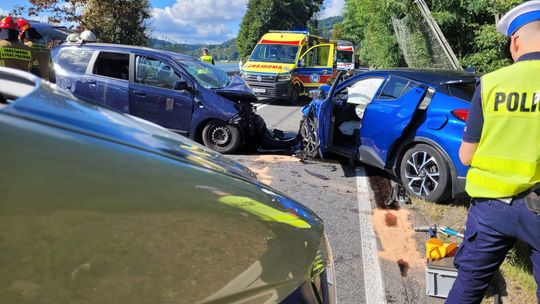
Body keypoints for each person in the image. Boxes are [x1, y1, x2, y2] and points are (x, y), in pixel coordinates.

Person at [447, 1, 540, 303]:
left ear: (515, 42)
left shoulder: (490, 84)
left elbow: (465, 156)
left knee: (467, 289)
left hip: (491, 209)